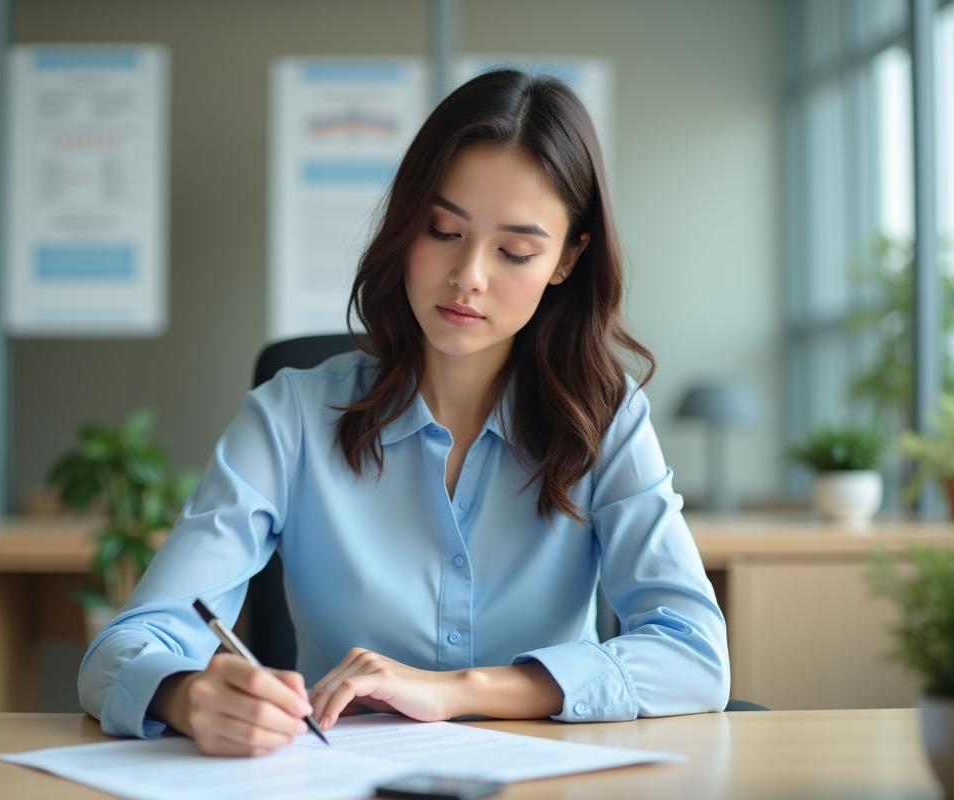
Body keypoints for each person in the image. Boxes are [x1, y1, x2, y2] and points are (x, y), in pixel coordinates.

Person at [78, 68, 729, 757]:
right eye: (443, 229)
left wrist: (457, 690)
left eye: (515, 251)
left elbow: (693, 656)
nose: (468, 276)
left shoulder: (606, 420)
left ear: (567, 259)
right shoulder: (290, 418)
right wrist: (188, 696)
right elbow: (124, 648)